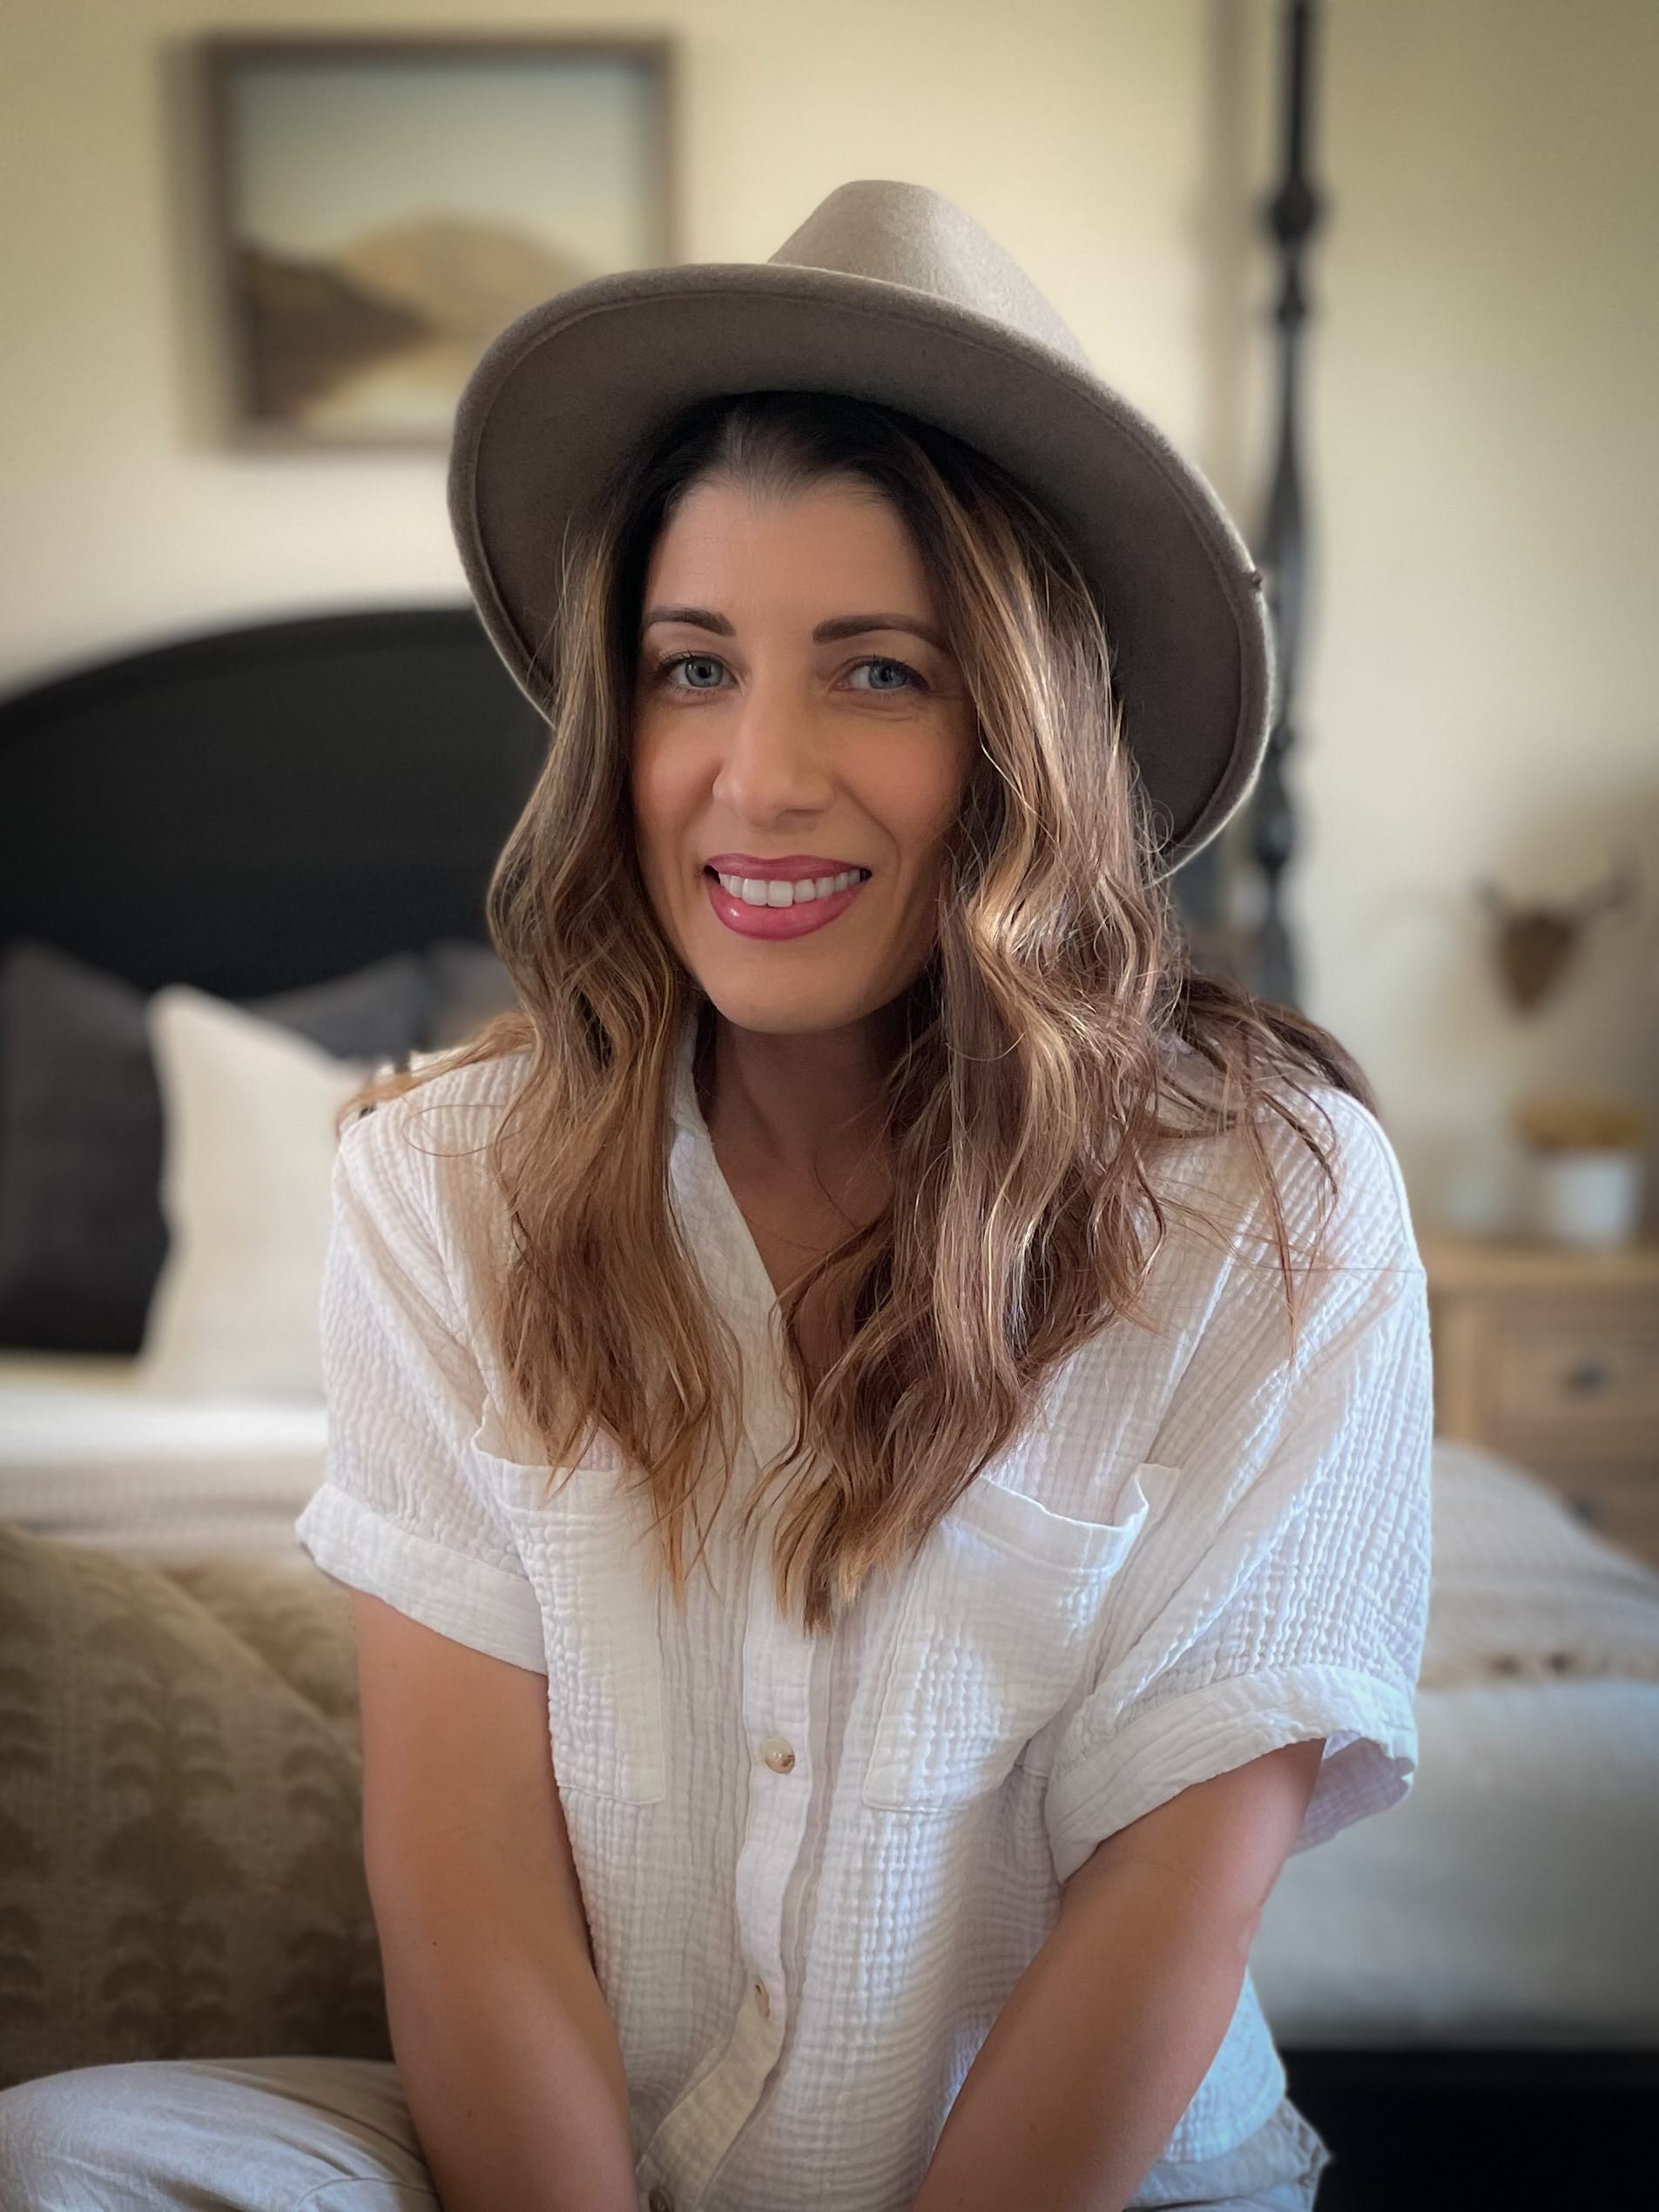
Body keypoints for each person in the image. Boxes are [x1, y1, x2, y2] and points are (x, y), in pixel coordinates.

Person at [0, 180, 1431, 2212]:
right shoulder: (438, 1181)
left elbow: (1168, 1897)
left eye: (877, 673)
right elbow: (469, 1866)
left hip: (1081, 2182)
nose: (754, 777)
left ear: (1030, 733)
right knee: (64, 2161)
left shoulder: (1268, 1199)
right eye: (691, 668)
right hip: (568, 2156)